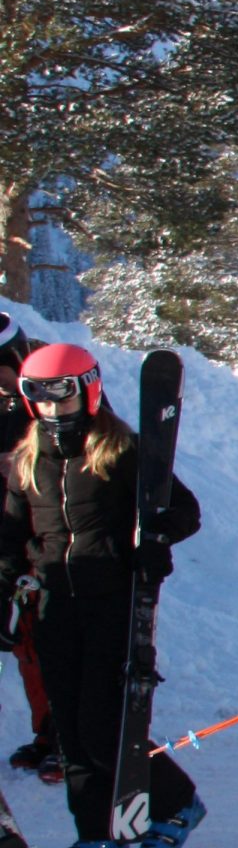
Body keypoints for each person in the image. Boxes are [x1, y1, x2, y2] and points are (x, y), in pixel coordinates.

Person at [0, 343, 207, 848]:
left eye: (61, 396)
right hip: (53, 609)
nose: (51, 410)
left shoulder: (123, 452)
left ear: (87, 390)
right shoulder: (27, 461)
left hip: (112, 605)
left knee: (103, 726)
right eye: (38, 398)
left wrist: (153, 537)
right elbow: (10, 538)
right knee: (68, 730)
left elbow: (184, 512)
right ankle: (98, 836)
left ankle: (178, 801)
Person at [0, 314, 59, 780]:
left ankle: (67, 735)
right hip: (10, 539)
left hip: (50, 541)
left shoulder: (50, 395)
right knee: (27, 649)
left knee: (53, 641)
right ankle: (46, 731)